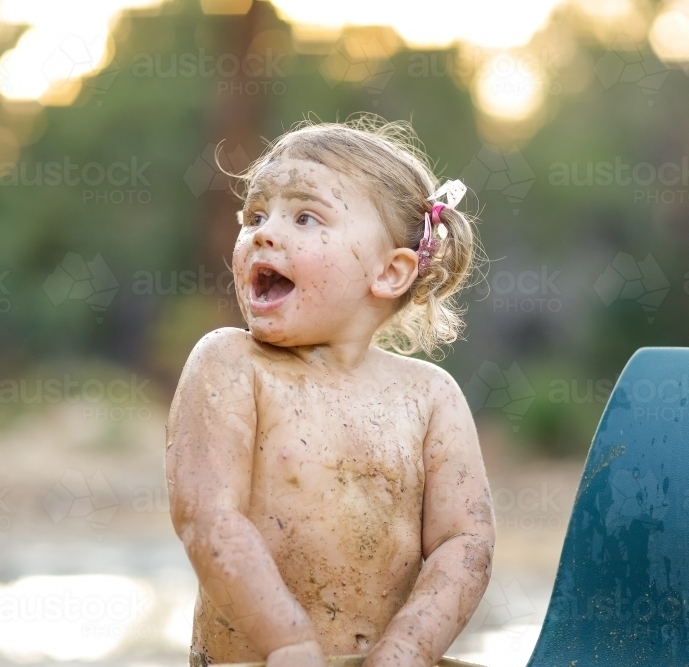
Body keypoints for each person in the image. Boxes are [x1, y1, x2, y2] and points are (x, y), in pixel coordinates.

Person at [166, 114, 494, 667]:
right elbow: (207, 517)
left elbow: (465, 543)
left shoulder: (430, 396)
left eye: (305, 216)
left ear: (390, 273)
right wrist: (289, 643)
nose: (264, 232)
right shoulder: (230, 365)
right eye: (255, 215)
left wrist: (409, 650)